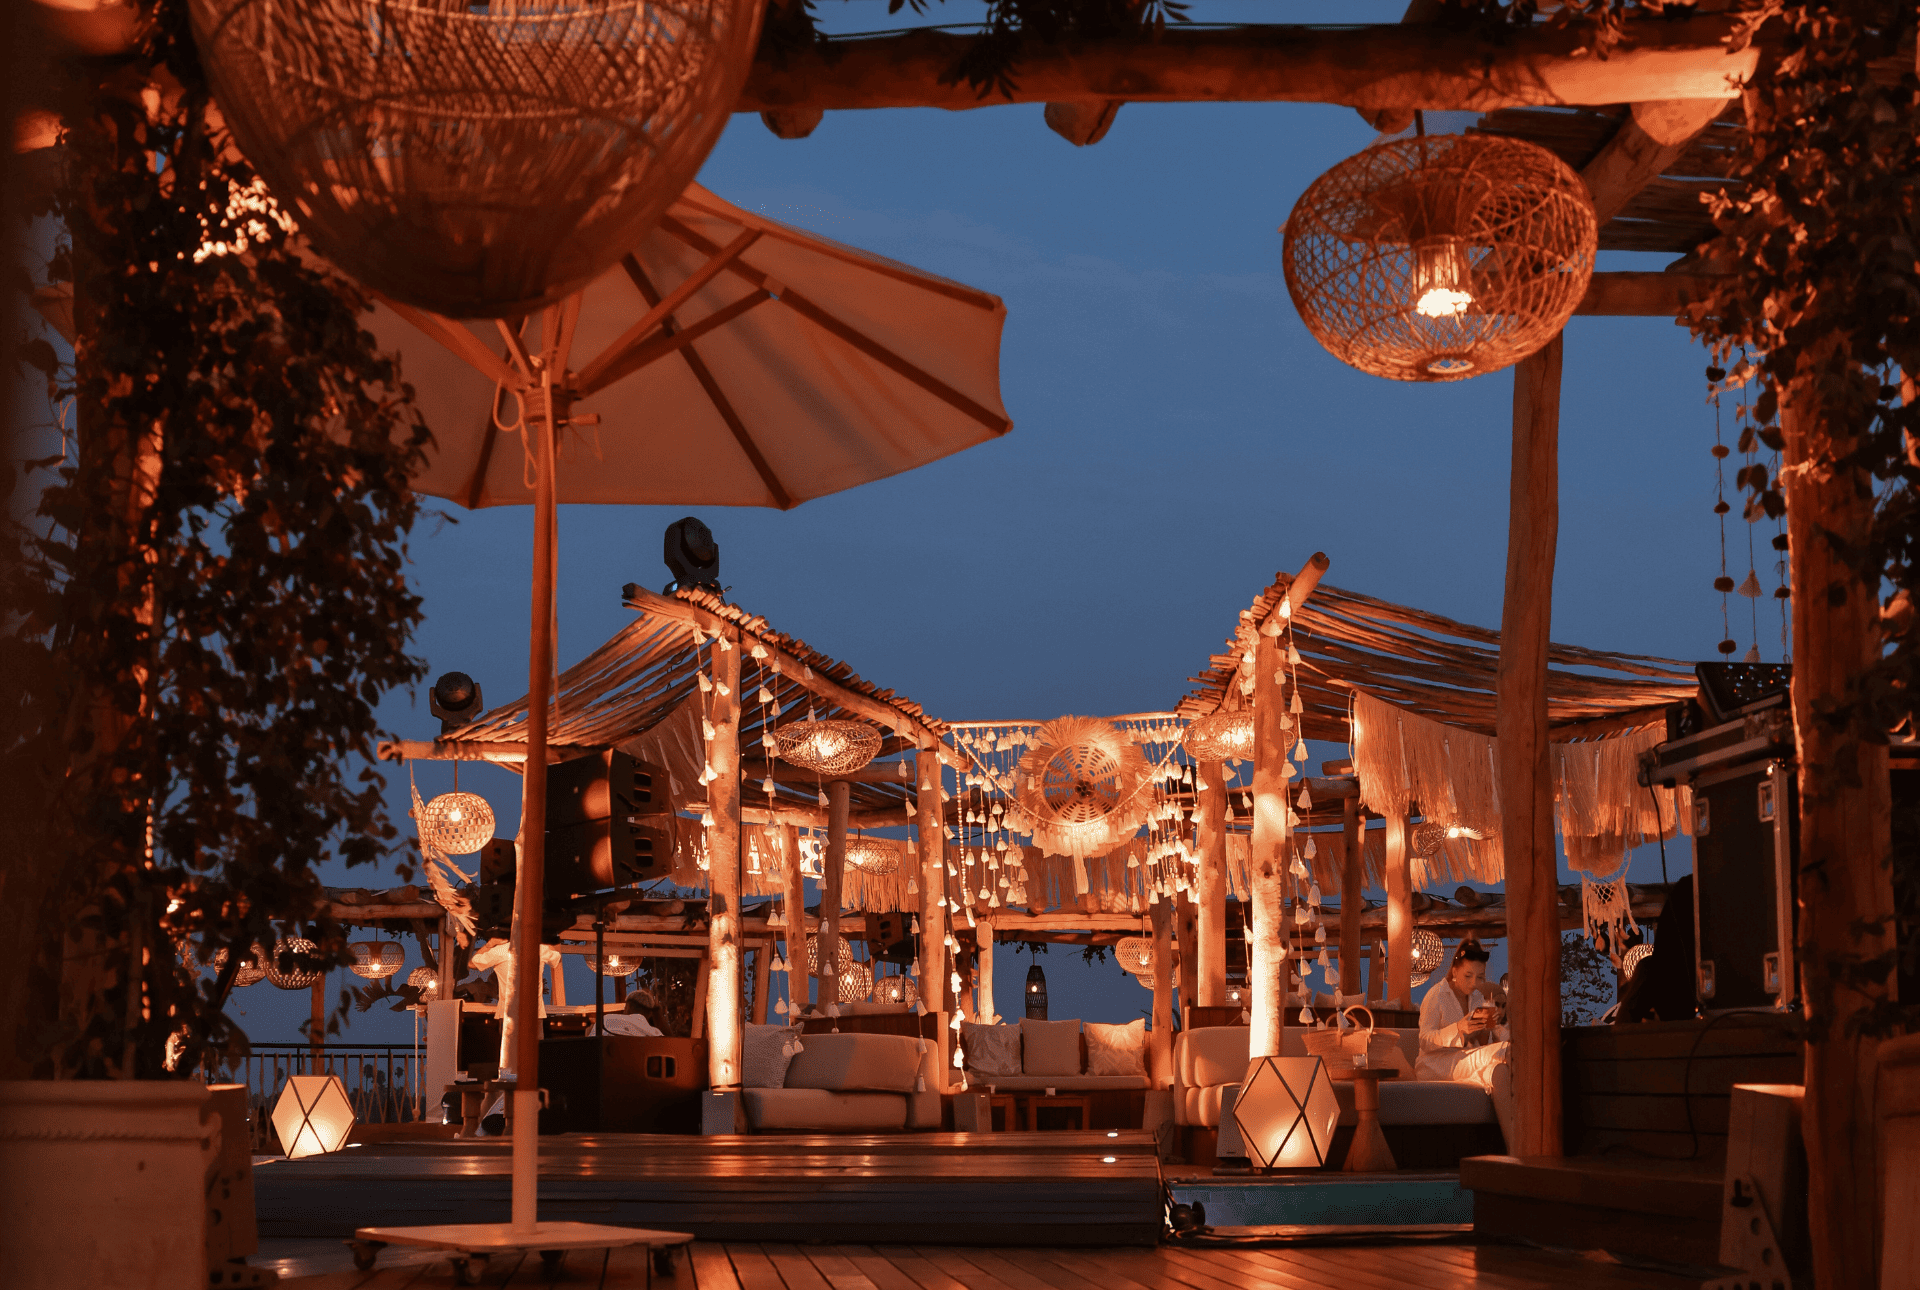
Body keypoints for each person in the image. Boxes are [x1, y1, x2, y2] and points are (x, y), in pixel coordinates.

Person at [1417, 938, 1517, 1150]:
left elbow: (1482, 1042)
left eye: (1479, 977)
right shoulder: (1436, 995)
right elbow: (1425, 1040)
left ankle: (1516, 1149)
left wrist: (1491, 1027)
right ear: (1454, 971)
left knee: (1498, 1071)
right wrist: (1459, 1028)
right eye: (1468, 976)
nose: (1473, 983)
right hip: (1435, 1064)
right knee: (1508, 1051)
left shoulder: (1477, 997)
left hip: (1464, 1059)